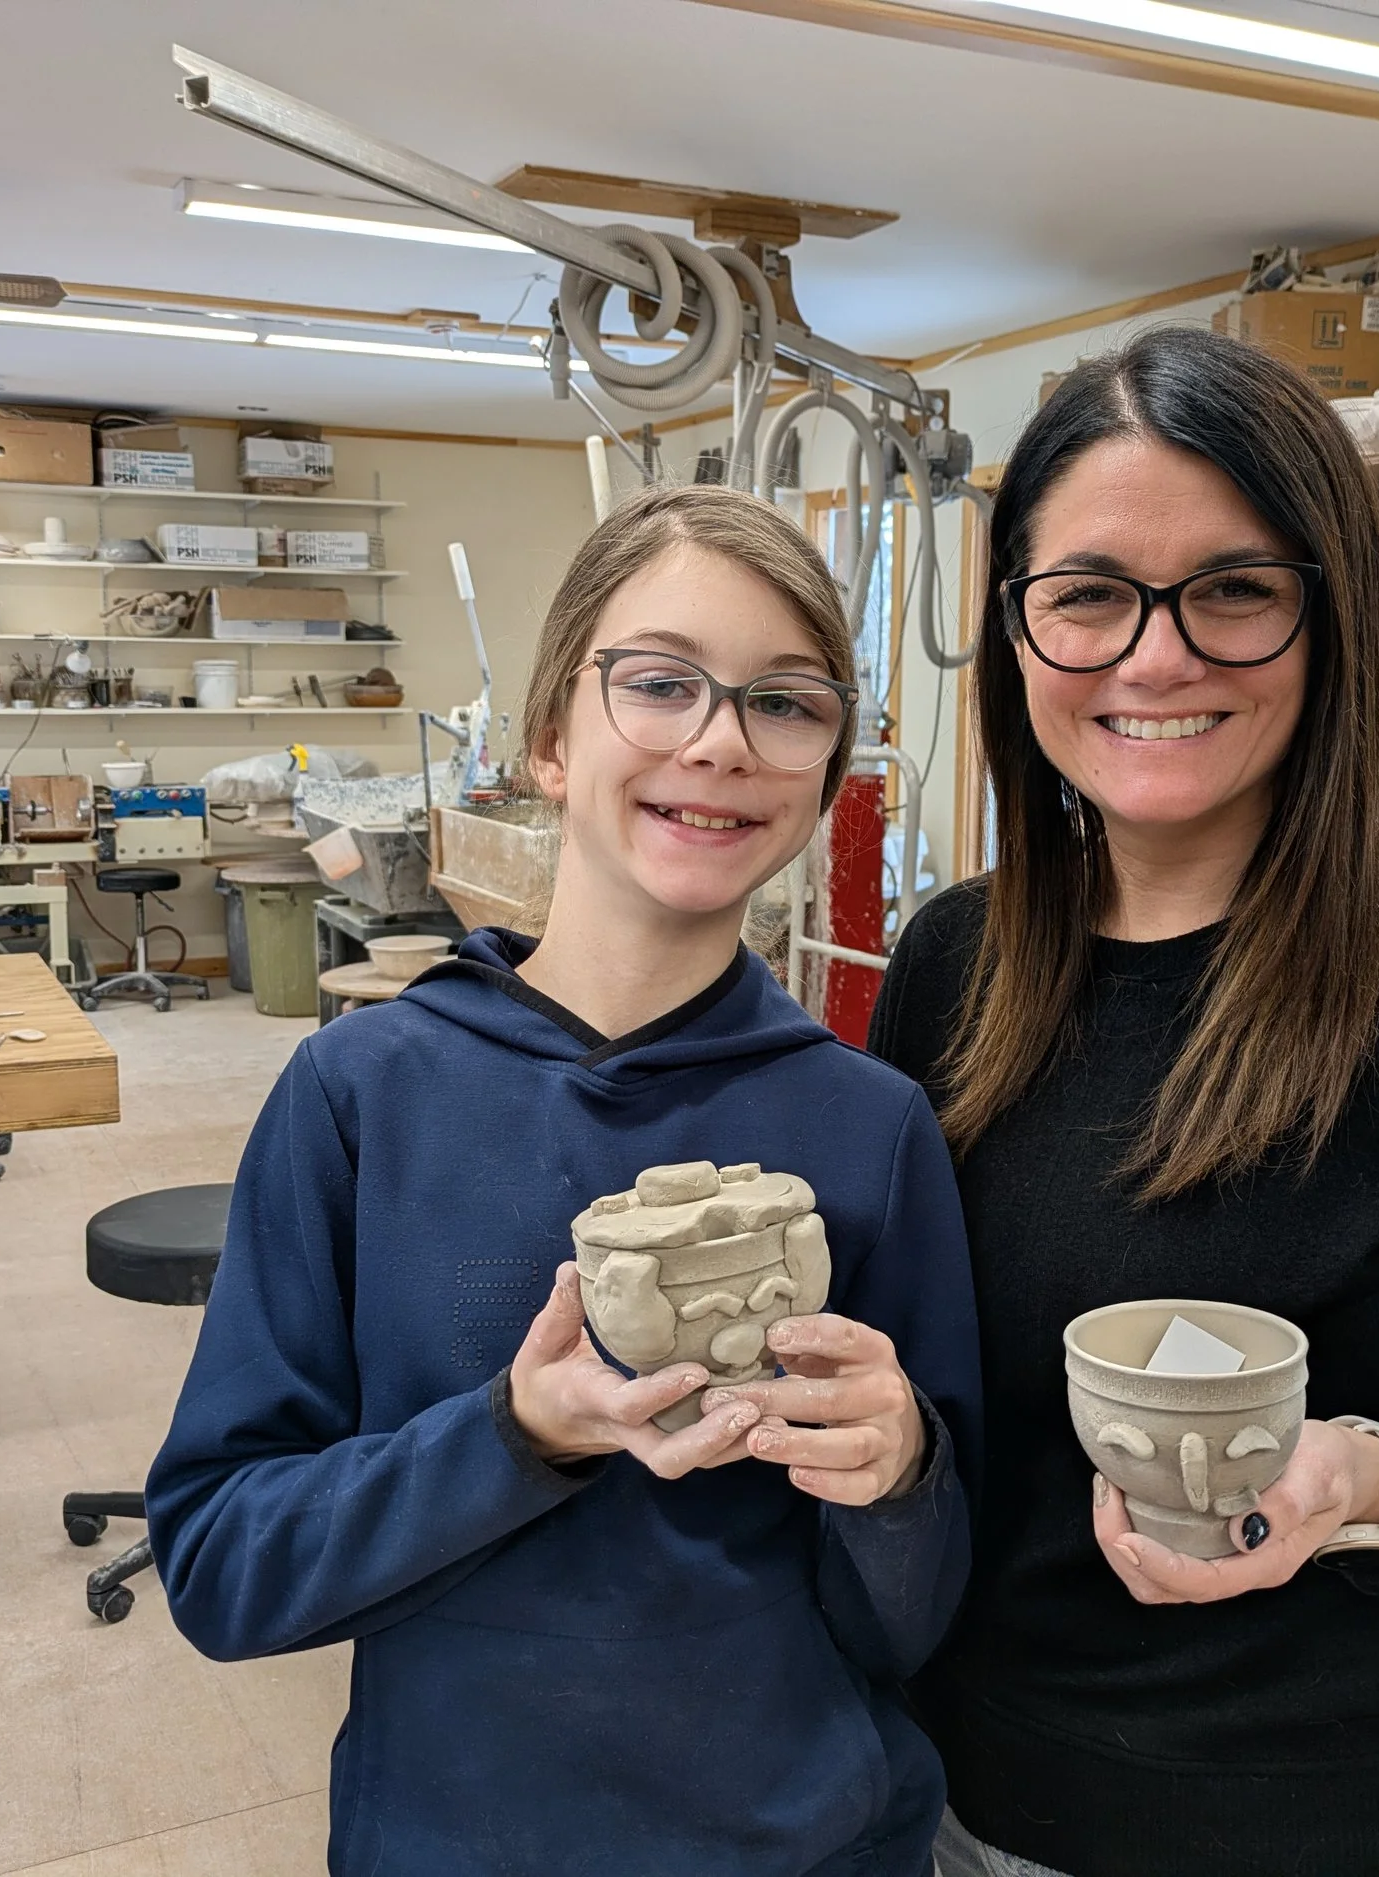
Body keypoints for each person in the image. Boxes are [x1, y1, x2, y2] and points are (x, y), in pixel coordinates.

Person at [868, 326, 1379, 1877]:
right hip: (963, 1797)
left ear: (1336, 624)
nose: (1154, 657)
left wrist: (1366, 1483)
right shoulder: (952, 964)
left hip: (1312, 1828)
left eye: (1236, 592)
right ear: (1018, 630)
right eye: (1089, 595)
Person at [147, 483, 981, 1877]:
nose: (721, 742)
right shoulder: (362, 1098)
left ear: (826, 770)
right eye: (660, 684)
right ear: (547, 737)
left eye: (786, 704)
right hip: (452, 1837)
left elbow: (923, 1619)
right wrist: (514, 1434)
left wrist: (899, 1478)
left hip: (805, 1844)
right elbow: (227, 1569)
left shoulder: (873, 1126)